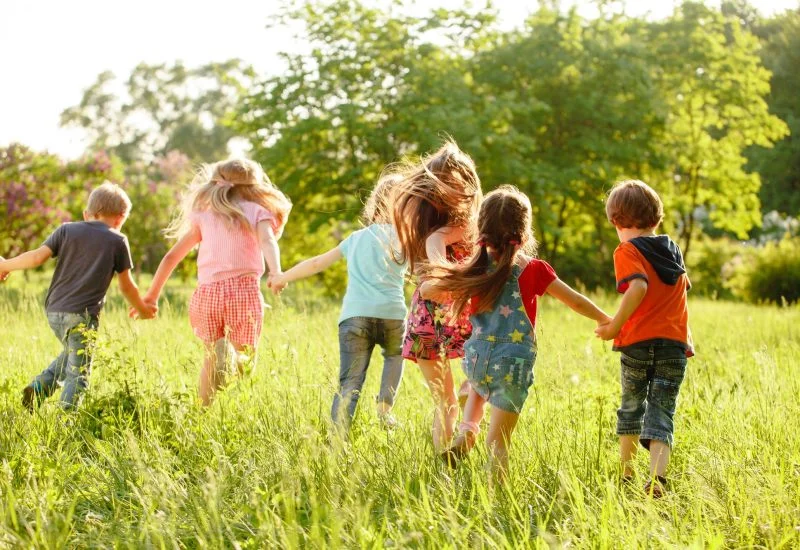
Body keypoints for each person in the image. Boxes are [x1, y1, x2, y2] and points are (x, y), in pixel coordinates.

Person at [421, 186, 611, 480]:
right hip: (512, 365)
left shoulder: (474, 267)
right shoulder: (534, 269)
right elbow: (574, 299)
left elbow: (427, 290)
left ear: (480, 230)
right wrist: (605, 318)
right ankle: (496, 498)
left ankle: (467, 431)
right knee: (498, 444)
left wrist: (443, 280)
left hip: (477, 357)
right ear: (523, 232)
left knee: (478, 385)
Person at [142, 158, 291, 406]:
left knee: (211, 359)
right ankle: (241, 408)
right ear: (254, 186)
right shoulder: (257, 210)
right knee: (246, 357)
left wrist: (151, 295)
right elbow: (268, 241)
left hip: (207, 295)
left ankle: (203, 411)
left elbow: (171, 257)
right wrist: (275, 272)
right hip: (243, 293)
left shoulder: (204, 214)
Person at [0, 182, 155, 410]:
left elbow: (35, 258)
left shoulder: (66, 230)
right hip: (83, 316)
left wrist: (5, 265)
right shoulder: (118, 241)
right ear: (121, 218)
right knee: (79, 372)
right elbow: (126, 287)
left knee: (72, 354)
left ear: (86, 214)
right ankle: (67, 420)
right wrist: (142, 309)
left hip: (53, 310)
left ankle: (38, 389)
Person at [269, 175, 407, 430]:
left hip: (354, 318)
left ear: (374, 203)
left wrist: (281, 277)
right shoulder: (406, 239)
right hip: (393, 315)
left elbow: (316, 263)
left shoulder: (355, 239)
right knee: (395, 356)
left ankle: (338, 436)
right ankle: (384, 410)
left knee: (350, 381)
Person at [595, 179, 693, 498]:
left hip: (637, 342)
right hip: (674, 346)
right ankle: (657, 480)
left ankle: (626, 476)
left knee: (632, 406)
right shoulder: (672, 249)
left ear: (615, 220)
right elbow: (683, 287)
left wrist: (613, 327)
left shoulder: (627, 250)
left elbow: (638, 287)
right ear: (657, 218)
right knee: (662, 410)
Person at [390, 140, 482, 453]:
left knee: (448, 403)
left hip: (430, 318)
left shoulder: (436, 228)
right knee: (450, 400)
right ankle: (447, 460)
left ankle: (446, 464)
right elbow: (431, 279)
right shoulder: (438, 231)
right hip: (446, 316)